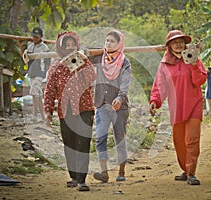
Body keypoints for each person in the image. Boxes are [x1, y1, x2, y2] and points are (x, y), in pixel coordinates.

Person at [149, 30, 207, 185]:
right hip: (176, 107)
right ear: (169, 46)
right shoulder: (164, 64)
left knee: (192, 139)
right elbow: (160, 86)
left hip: (194, 103)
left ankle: (191, 172)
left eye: (181, 41)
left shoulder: (194, 59)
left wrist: (194, 65)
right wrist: (155, 100)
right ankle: (186, 170)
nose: (178, 44)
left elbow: (200, 80)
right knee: (179, 141)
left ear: (185, 43)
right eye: (174, 42)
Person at [44, 32, 96, 191]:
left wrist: (82, 62)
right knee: (70, 144)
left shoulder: (83, 62)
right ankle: (73, 177)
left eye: (73, 45)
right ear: (61, 47)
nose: (71, 48)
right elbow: (50, 90)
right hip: (65, 110)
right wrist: (48, 111)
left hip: (84, 108)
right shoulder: (56, 66)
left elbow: (92, 76)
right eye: (67, 45)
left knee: (83, 143)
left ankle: (82, 180)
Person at [90, 30, 132, 183]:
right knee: (100, 137)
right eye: (106, 40)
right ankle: (104, 172)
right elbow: (82, 55)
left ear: (119, 44)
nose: (108, 43)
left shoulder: (125, 62)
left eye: (112, 41)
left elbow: (126, 83)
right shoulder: (99, 58)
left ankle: (121, 171)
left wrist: (120, 97)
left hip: (119, 107)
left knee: (119, 138)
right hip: (102, 104)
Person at [18, 27, 51, 120]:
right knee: (37, 94)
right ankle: (41, 113)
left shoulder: (45, 48)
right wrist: (21, 47)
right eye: (34, 37)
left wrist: (48, 76)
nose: (35, 38)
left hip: (40, 73)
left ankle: (35, 113)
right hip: (32, 72)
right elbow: (25, 58)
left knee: (34, 92)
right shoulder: (30, 46)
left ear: (41, 37)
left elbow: (48, 63)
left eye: (37, 37)